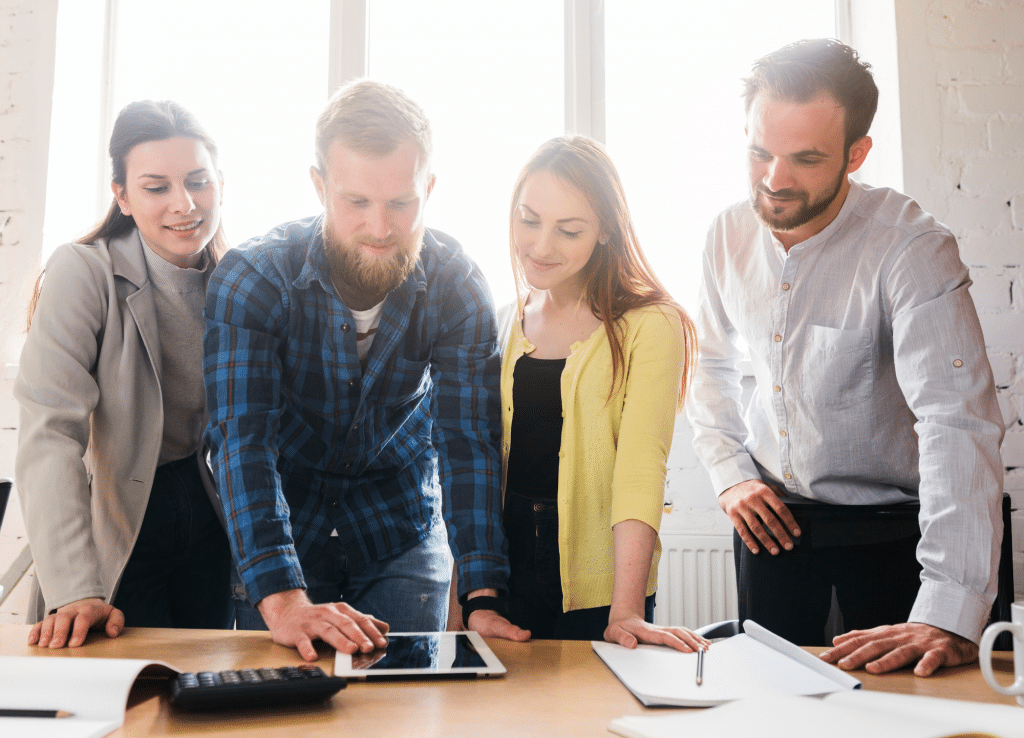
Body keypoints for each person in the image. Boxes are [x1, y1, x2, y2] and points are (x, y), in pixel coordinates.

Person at [687, 39, 1004, 676]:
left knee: (902, 714)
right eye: (759, 152)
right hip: (774, 527)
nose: (775, 180)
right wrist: (730, 473)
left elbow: (955, 421)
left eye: (805, 159)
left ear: (856, 154)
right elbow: (709, 365)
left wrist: (948, 608)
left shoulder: (913, 249)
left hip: (897, 535)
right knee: (770, 712)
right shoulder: (725, 234)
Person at [203, 79, 527, 663]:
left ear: (428, 188)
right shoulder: (252, 277)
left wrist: (481, 593)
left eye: (401, 204)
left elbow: (468, 443)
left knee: (399, 709)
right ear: (319, 187)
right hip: (284, 534)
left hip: (399, 527)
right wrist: (281, 598)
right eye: (357, 203)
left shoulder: (457, 283)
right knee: (285, 714)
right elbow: (241, 444)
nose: (381, 228)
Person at [16, 100, 234, 648]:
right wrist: (73, 587)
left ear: (220, 184)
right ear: (122, 196)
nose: (184, 204)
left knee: (201, 698)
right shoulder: (82, 271)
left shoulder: (238, 280)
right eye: (156, 187)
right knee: (123, 704)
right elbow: (49, 433)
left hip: (206, 512)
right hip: (118, 516)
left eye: (198, 181)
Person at [489, 135, 706, 652]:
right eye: (529, 220)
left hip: (603, 574)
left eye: (569, 230)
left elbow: (639, 469)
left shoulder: (651, 323)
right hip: (506, 569)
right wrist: (468, 596)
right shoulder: (505, 319)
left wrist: (625, 608)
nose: (541, 247)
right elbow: (479, 464)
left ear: (606, 230)